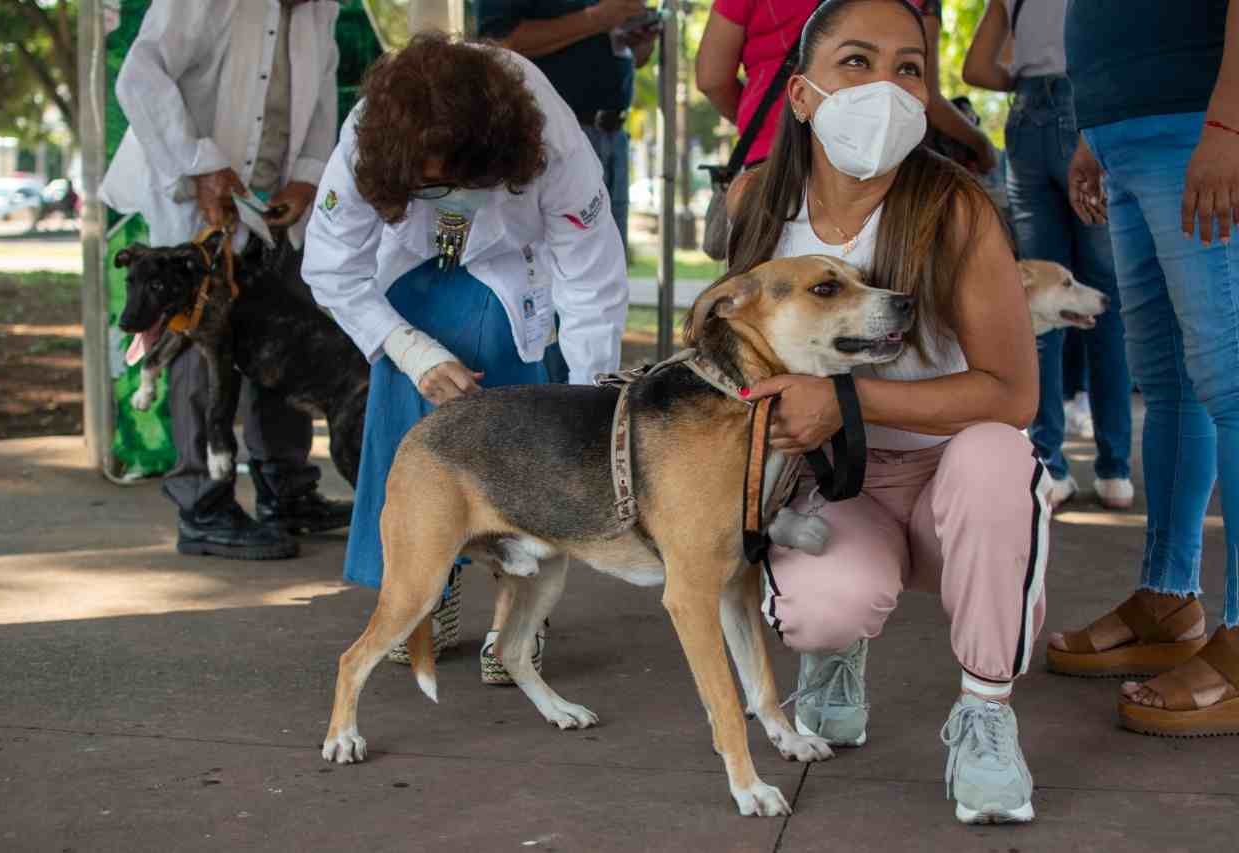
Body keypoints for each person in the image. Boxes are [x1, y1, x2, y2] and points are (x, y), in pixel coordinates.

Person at [721, 0, 1047, 824]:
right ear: (800, 96)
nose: (887, 88)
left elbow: (1014, 392)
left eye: (910, 69)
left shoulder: (957, 209)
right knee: (821, 607)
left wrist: (845, 398)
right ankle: (833, 656)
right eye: (856, 63)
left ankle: (985, 711)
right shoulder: (759, 204)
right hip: (839, 483)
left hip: (953, 484)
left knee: (997, 453)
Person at [301, 35, 628, 683]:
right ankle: (430, 582)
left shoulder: (551, 139)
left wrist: (590, 409)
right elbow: (331, 266)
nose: (447, 196)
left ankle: (520, 607)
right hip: (410, 275)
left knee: (513, 405)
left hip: (512, 273)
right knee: (411, 396)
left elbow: (592, 283)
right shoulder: (370, 134)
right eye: (429, 186)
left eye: (459, 182)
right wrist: (412, 350)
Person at [1047, 0, 1239, 738]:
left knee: (1230, 383)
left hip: (1202, 124)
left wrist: (1227, 124)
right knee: (1167, 385)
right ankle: (1167, 596)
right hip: (1129, 136)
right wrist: (1097, 131)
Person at [101, 0, 352, 561]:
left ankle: (285, 493)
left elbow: (321, 99)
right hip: (191, 194)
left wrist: (308, 177)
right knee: (198, 349)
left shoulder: (321, 9)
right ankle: (204, 507)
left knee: (281, 334)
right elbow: (139, 75)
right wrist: (198, 163)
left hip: (268, 202)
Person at [962, 0, 1133, 510]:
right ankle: (1114, 470)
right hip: (1088, 106)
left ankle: (1049, 468)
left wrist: (1023, 75)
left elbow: (976, 68)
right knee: (1103, 300)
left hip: (1025, 121)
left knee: (1038, 303)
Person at [696, 0, 998, 174]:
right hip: (877, 166)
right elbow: (924, 93)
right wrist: (981, 145)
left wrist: (765, 126)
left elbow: (711, 77)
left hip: (770, 159)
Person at [477, 0, 660, 252]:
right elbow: (498, 43)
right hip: (547, 139)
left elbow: (633, 57)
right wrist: (597, 18)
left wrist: (638, 37)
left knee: (608, 261)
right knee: (553, 265)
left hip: (612, 135)